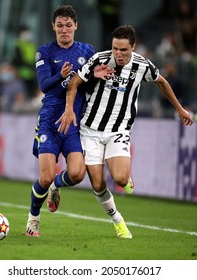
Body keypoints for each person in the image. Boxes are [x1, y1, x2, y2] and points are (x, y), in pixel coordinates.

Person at [55, 25, 194, 239]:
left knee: (119, 179)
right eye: (115, 49)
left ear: (133, 47)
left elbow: (161, 82)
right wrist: (68, 110)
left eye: (124, 50)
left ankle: (124, 177)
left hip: (118, 130)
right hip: (90, 130)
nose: (118, 54)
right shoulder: (99, 59)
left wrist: (180, 108)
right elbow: (74, 83)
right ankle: (118, 221)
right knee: (98, 183)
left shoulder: (142, 65)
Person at [26, 5, 95, 237]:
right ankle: (33, 219)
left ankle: (57, 185)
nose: (64, 29)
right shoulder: (44, 52)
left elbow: (91, 84)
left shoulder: (88, 50)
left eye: (68, 25)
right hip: (49, 121)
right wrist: (62, 76)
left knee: (76, 174)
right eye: (59, 25)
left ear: (76, 26)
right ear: (53, 27)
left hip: (74, 121)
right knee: (44, 177)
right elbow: (44, 86)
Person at [12, 25, 37, 98]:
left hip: (31, 73)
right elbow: (18, 60)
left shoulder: (31, 45)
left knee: (31, 93)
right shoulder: (18, 44)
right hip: (22, 74)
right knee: (23, 94)